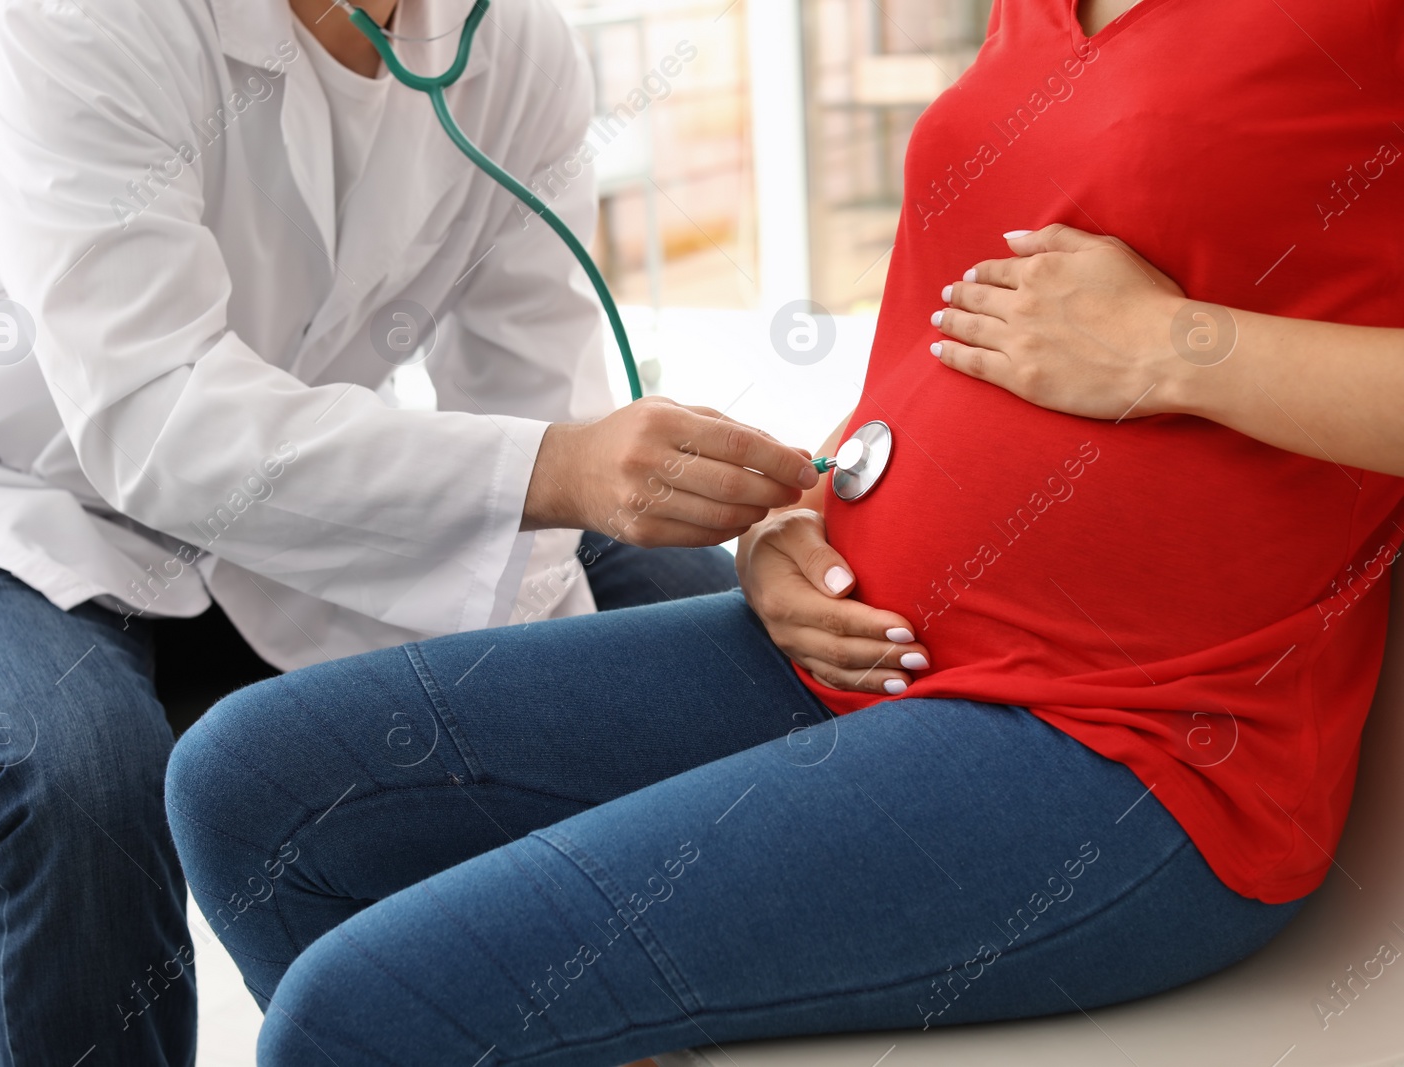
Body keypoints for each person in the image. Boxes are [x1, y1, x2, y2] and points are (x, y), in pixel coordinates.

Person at [164, 0, 1404, 1062]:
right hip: (867, 655)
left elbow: (1115, 332)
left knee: (369, 1010)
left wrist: (1176, 349)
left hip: (1125, 742)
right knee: (248, 786)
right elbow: (947, 332)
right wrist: (797, 522)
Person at [0, 0, 816, 1062]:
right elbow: (162, 421)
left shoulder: (513, 45)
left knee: (685, 608)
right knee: (79, 774)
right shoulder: (75, 18)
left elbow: (531, 392)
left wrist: (536, 715)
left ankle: (649, 1009)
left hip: (275, 503)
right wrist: (557, 474)